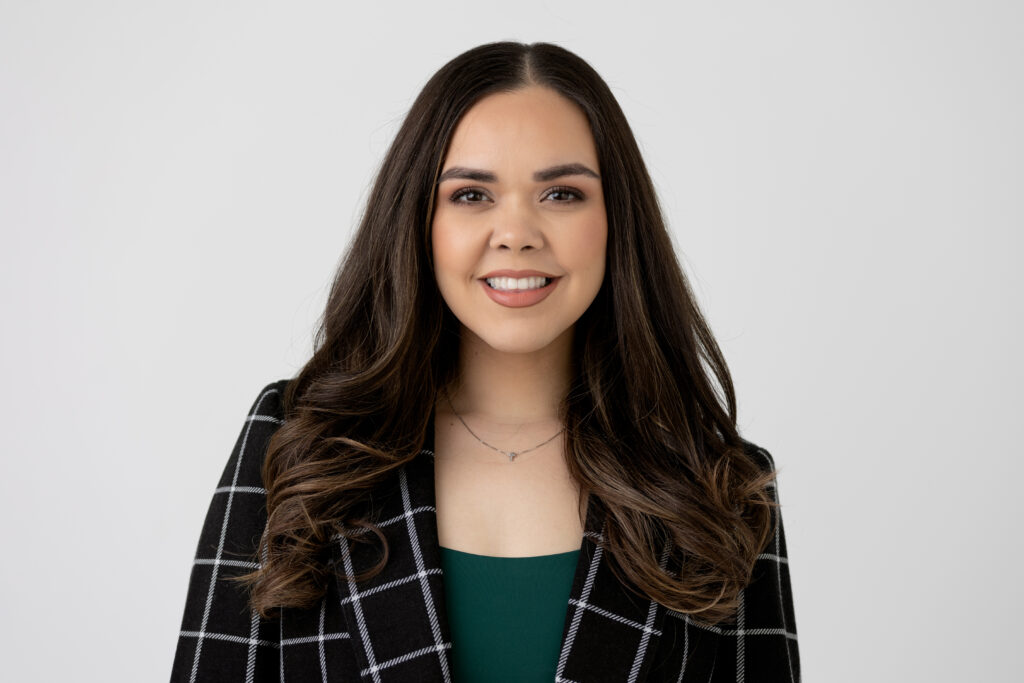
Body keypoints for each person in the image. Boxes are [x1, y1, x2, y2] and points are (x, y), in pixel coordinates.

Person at [171, 41, 799, 683]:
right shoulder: (301, 446)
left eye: (561, 193)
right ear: (419, 220)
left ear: (617, 220)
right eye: (472, 195)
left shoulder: (716, 483)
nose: (517, 231)